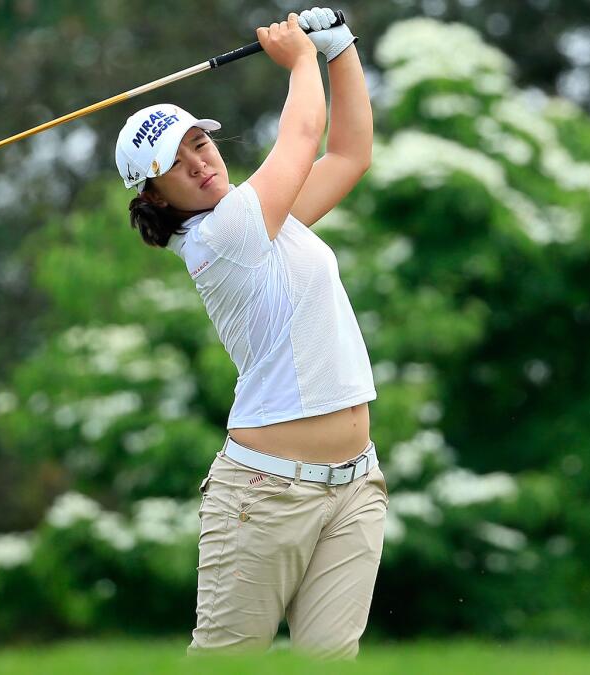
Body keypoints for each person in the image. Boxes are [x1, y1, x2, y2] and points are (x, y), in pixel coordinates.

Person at [113, 8, 385, 659]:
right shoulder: (221, 235)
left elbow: (348, 153)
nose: (199, 165)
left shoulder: (269, 219)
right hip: (264, 495)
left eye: (198, 145)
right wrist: (298, 60)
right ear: (154, 196)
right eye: (174, 165)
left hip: (354, 486)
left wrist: (339, 49)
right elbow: (302, 133)